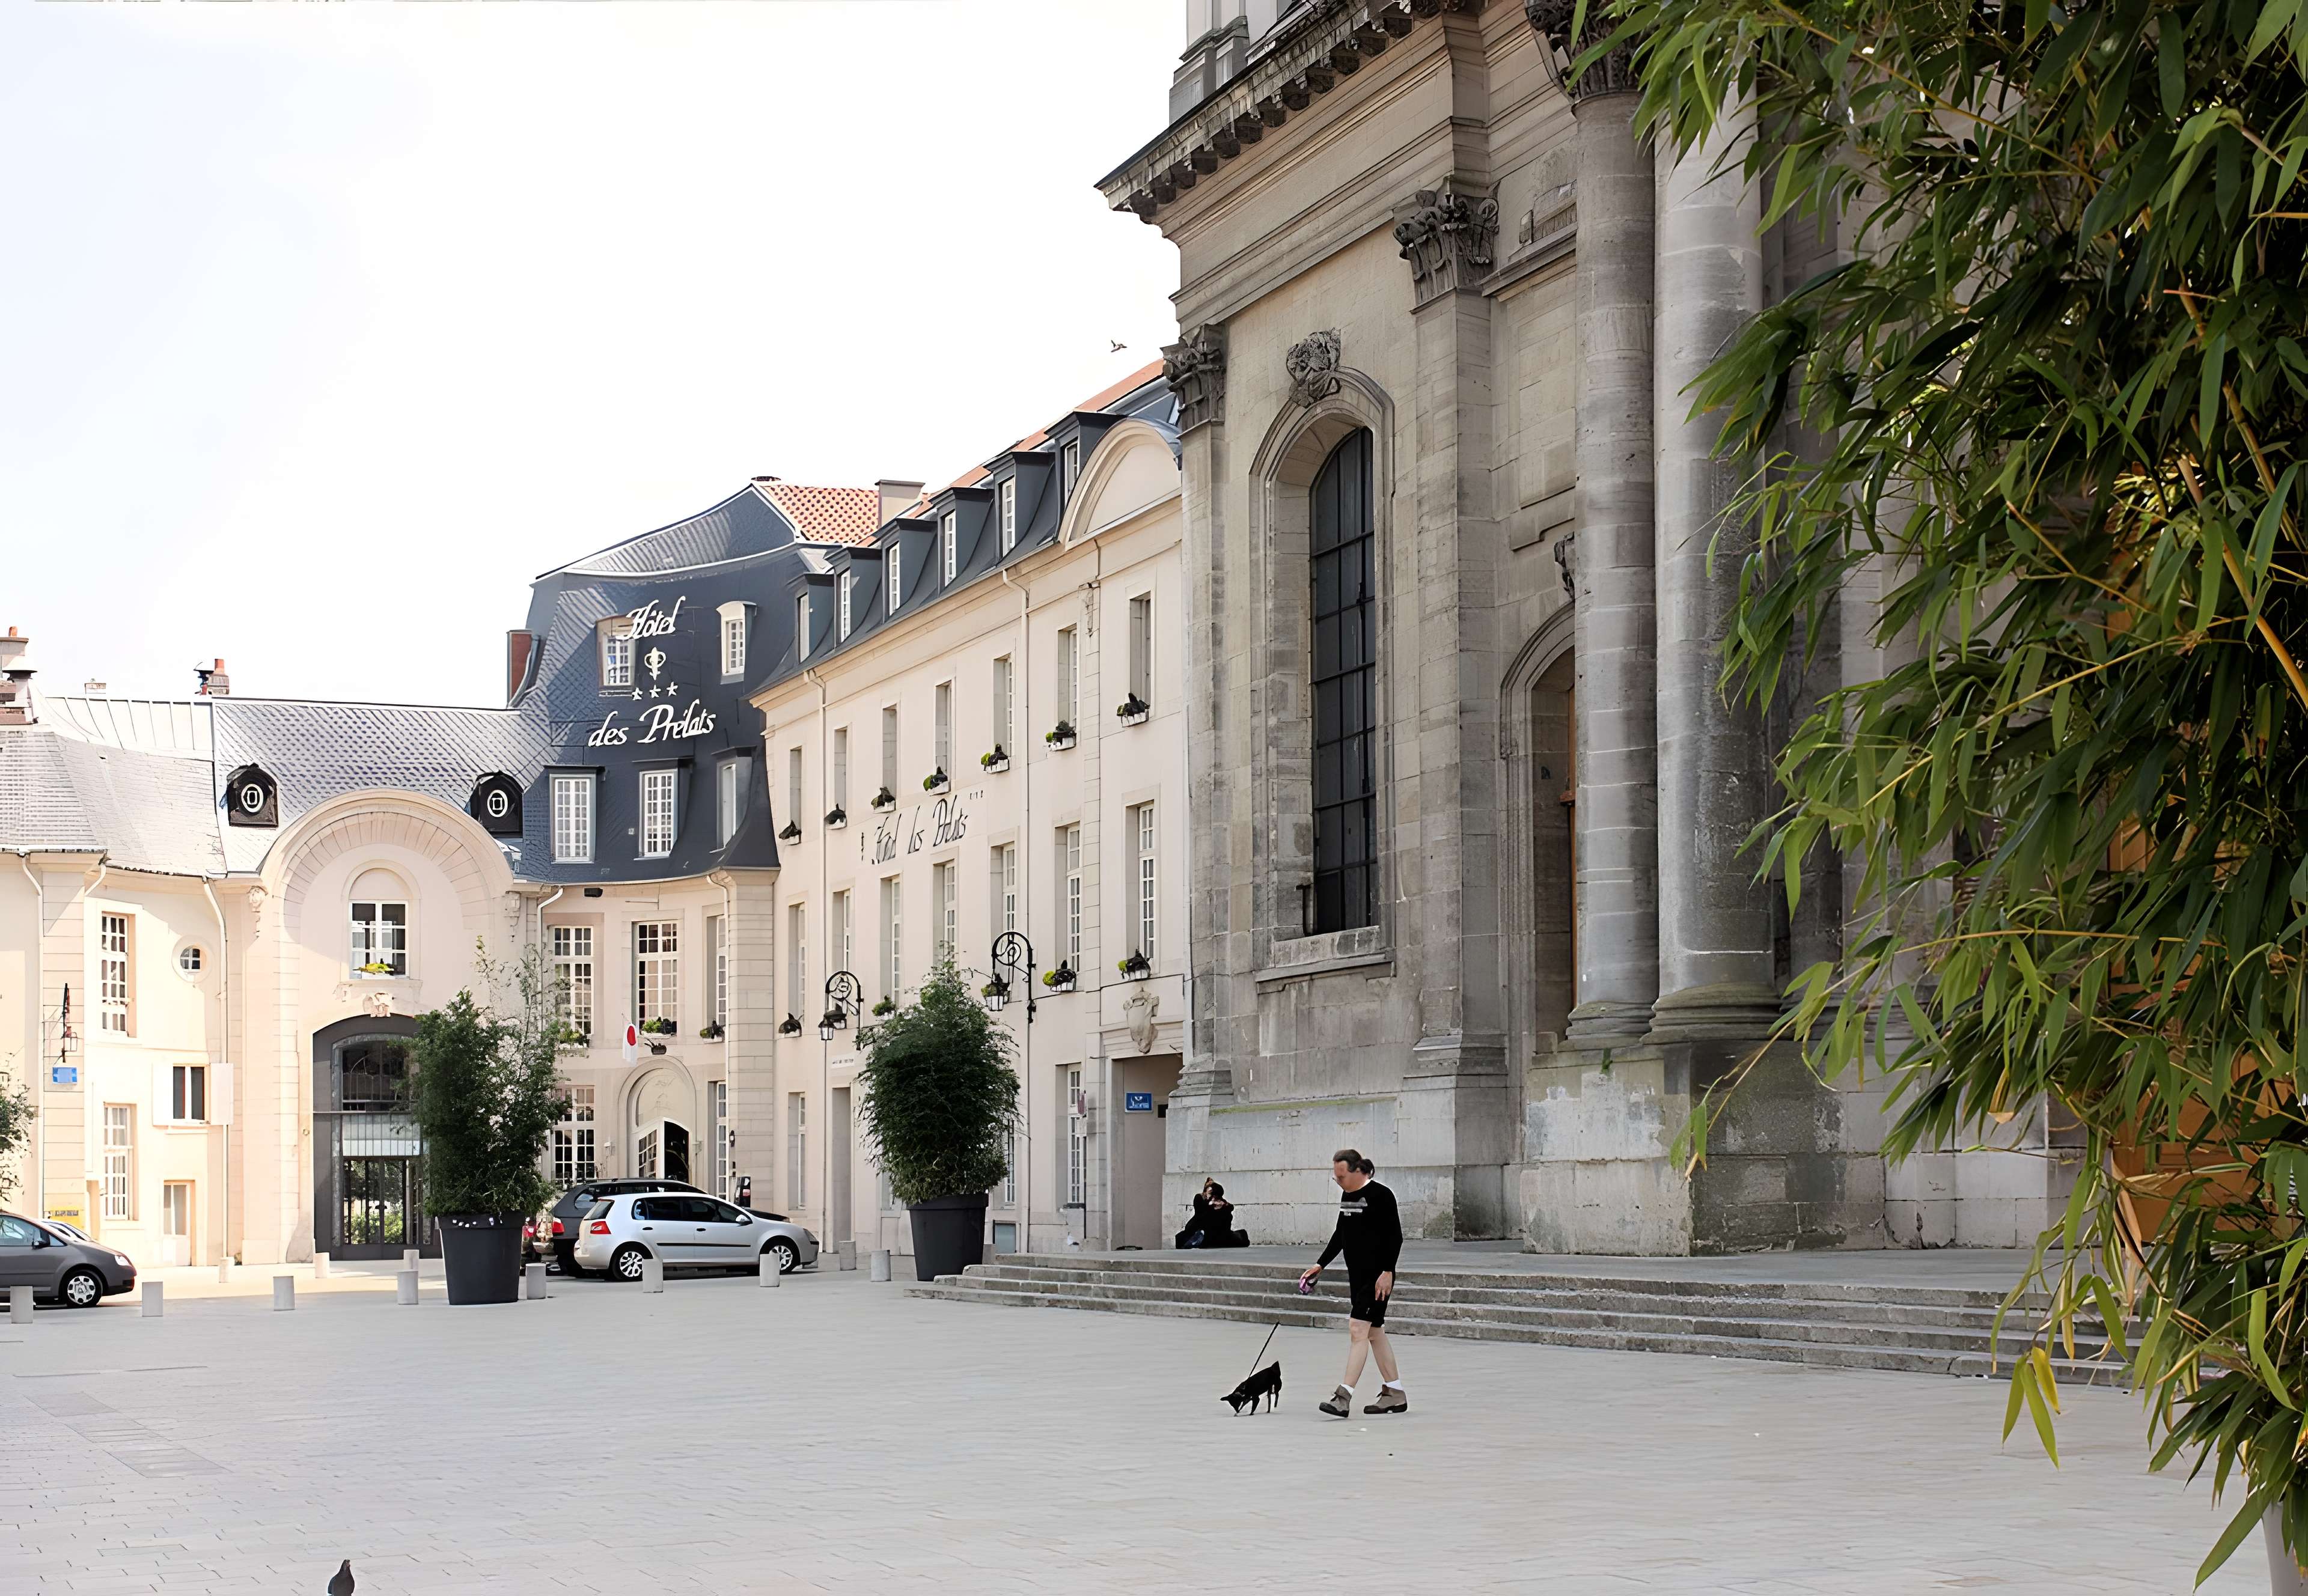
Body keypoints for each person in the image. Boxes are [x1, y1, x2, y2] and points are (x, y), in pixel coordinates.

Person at [1298, 1149, 1405, 1416]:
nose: (1339, 1182)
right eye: (1336, 1178)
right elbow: (1341, 1234)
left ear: (1358, 1171)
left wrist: (1387, 1271)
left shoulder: (1382, 1195)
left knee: (1358, 1330)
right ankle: (1395, 1393)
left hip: (1377, 1278)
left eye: (1342, 1176)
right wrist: (1320, 1265)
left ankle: (1343, 1397)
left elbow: (1396, 1237)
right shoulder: (1348, 1196)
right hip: (1356, 1276)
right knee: (1374, 1332)